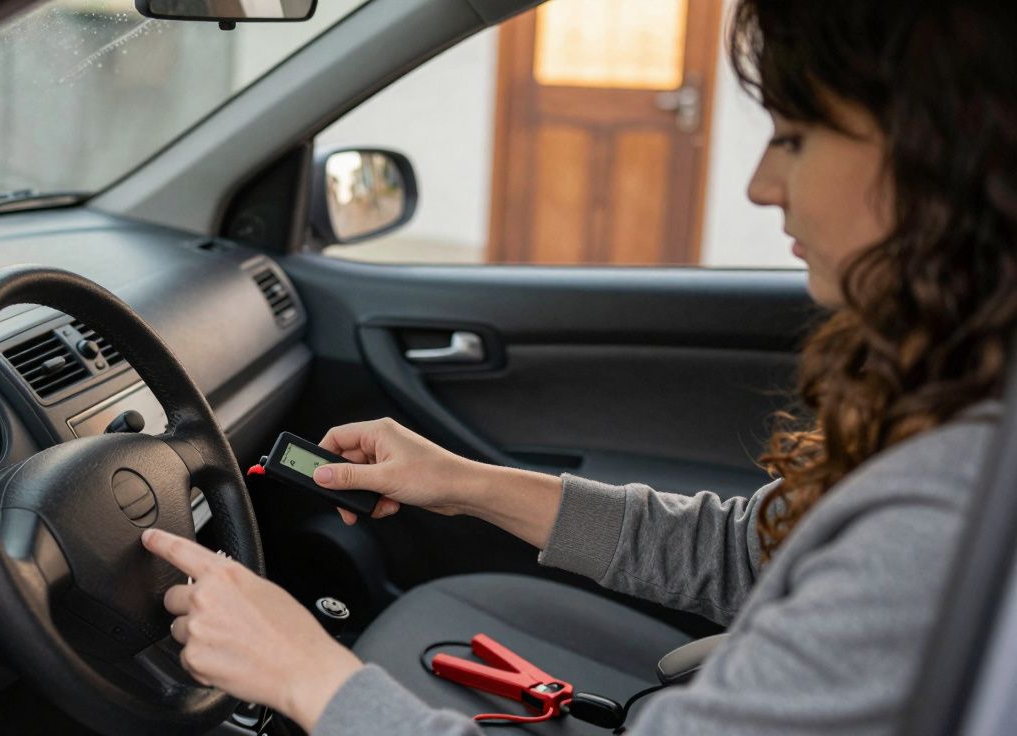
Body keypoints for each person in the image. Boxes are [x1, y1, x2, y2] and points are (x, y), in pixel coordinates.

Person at [140, 0, 1017, 733]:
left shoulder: (948, 511)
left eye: (794, 137)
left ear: (936, 158)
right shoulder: (953, 406)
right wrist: (464, 484)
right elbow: (741, 554)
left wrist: (307, 676)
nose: (760, 184)